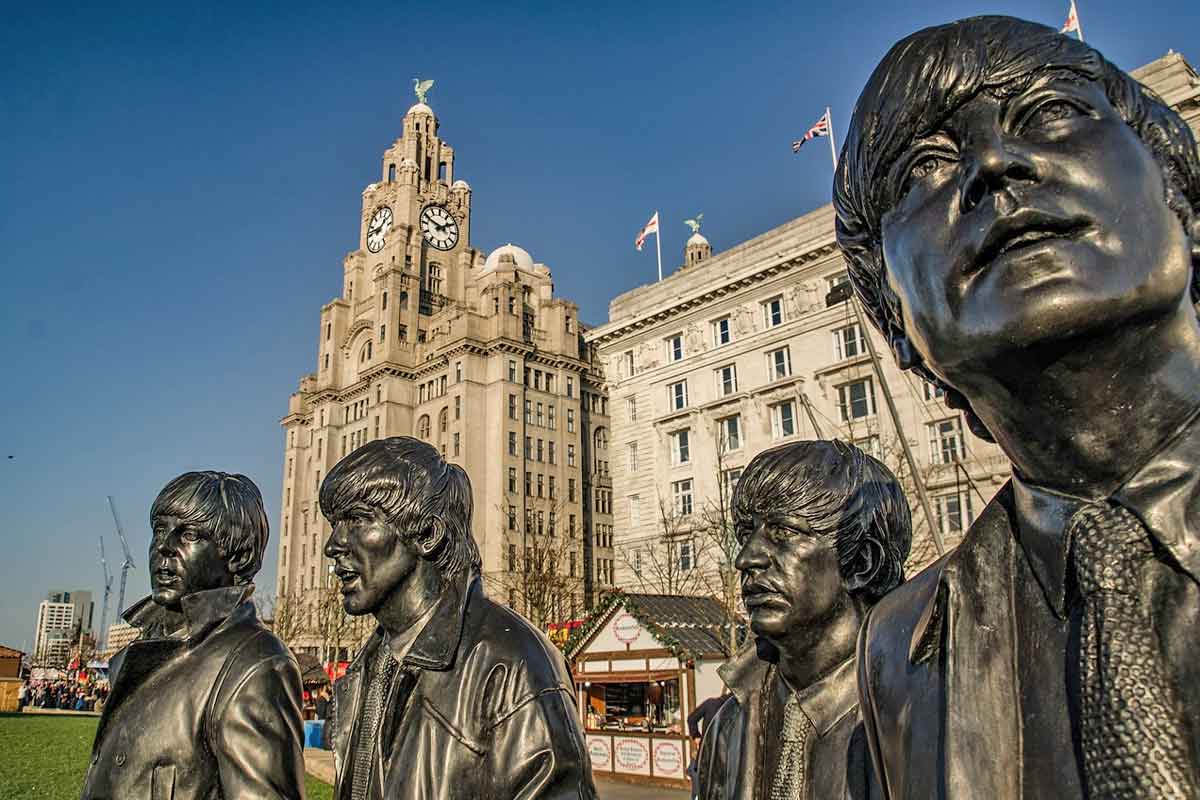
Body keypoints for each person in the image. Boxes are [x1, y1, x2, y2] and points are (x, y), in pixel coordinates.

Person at [833, 16, 1200, 799]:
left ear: (1182, 196)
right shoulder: (897, 646)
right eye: (924, 168)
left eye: (1051, 113)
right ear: (895, 323)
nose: (995, 165)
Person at [320, 437, 595, 800]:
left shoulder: (513, 663)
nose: (333, 545)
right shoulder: (367, 667)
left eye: (357, 520)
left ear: (428, 534)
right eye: (337, 523)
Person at [696, 440, 909, 799]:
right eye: (745, 534)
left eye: (784, 532)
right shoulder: (729, 726)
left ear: (861, 562)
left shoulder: (922, 716)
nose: (746, 559)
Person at [81, 471, 305, 800]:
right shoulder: (138, 653)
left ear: (238, 556)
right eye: (160, 530)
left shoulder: (254, 664)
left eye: (188, 534)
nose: (163, 546)